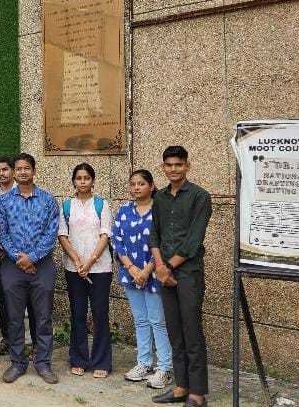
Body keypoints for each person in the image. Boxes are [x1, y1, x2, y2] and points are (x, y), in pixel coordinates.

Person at [150, 146, 212, 407]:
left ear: (187, 165)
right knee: (174, 331)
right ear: (163, 167)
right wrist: (159, 266)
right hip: (164, 273)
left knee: (191, 332)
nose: (173, 169)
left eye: (178, 164)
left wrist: (167, 267)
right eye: (169, 165)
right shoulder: (159, 197)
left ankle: (197, 393)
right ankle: (181, 386)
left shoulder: (200, 196)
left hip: (188, 274)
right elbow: (154, 234)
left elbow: (193, 241)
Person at [0, 152, 60, 385]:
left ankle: (43, 363)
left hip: (42, 266)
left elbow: (51, 233)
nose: (23, 172)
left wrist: (32, 258)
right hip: (12, 266)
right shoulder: (4, 201)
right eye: (19, 168)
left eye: (27, 168)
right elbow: (1, 232)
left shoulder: (48, 200)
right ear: (14, 172)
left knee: (43, 318)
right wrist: (19, 258)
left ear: (34, 170)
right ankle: (17, 363)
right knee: (14, 318)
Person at [114, 170, 173, 389]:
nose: (136, 187)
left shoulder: (160, 211)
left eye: (141, 183)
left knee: (158, 321)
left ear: (151, 186)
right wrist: (131, 268)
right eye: (133, 184)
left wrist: (147, 270)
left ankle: (165, 368)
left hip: (154, 274)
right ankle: (144, 363)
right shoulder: (124, 211)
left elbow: (164, 242)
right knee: (140, 320)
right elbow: (117, 241)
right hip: (130, 274)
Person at [58, 163, 113, 378]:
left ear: (93, 180)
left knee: (100, 314)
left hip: (100, 268)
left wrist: (90, 262)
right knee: (78, 313)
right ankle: (79, 359)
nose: (83, 182)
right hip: (74, 268)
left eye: (87, 178)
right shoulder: (66, 206)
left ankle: (102, 361)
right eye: (79, 178)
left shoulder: (102, 204)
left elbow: (105, 234)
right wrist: (76, 260)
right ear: (73, 181)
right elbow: (62, 235)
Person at [0, 155, 36, 356]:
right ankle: (8, 339)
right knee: (4, 300)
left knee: (32, 301)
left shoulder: (28, 192)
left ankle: (35, 342)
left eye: (5, 169)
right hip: (1, 256)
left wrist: (22, 254)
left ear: (13, 171)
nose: (2, 174)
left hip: (27, 257)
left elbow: (32, 226)